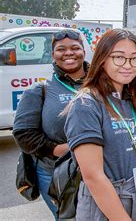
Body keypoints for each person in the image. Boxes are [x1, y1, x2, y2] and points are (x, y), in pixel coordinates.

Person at [64, 29, 136, 220]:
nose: (128, 65)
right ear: (102, 60)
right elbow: (93, 177)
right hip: (105, 204)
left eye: (135, 58)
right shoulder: (86, 104)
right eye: (119, 57)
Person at [12, 29, 89, 218]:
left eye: (75, 48)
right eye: (61, 49)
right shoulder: (40, 90)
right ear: (53, 54)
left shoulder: (101, 86)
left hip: (99, 170)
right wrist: (61, 150)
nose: (69, 53)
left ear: (83, 52)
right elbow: (23, 135)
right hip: (56, 173)